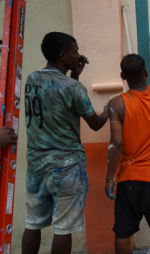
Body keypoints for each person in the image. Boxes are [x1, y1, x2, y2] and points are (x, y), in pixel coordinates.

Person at [22, 32, 109, 254]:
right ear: (63, 55)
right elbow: (96, 124)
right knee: (63, 229)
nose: (78, 55)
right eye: (75, 51)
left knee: (32, 223)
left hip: (36, 165)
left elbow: (60, 105)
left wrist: (75, 75)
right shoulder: (72, 88)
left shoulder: (32, 79)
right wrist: (110, 108)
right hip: (67, 166)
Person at [105, 38, 150, 254]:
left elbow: (116, 143)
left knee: (123, 232)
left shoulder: (116, 103)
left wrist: (110, 178)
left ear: (122, 77)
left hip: (129, 180)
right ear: (146, 73)